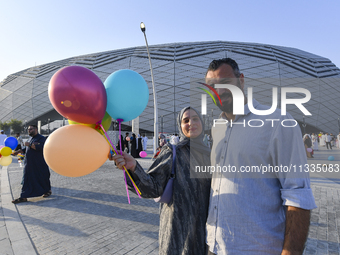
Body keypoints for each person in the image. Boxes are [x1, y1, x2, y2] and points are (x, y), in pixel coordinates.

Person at [205, 58, 316, 255]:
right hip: (215, 246)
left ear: (241, 80)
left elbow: (298, 194)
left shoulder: (277, 122)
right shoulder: (218, 128)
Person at [110, 107, 211, 255]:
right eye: (186, 120)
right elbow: (153, 187)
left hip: (204, 233)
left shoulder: (211, 155)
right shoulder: (172, 151)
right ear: (180, 126)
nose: (191, 123)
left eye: (195, 119)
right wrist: (134, 168)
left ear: (202, 122)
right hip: (178, 234)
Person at [11, 125, 51, 203]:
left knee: (43, 177)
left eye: (31, 129)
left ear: (36, 129)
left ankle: (47, 190)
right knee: (27, 178)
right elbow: (26, 149)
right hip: (29, 164)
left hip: (39, 163)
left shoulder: (41, 138)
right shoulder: (30, 138)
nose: (29, 131)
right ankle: (23, 196)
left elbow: (41, 147)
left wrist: (29, 144)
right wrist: (17, 152)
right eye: (28, 129)